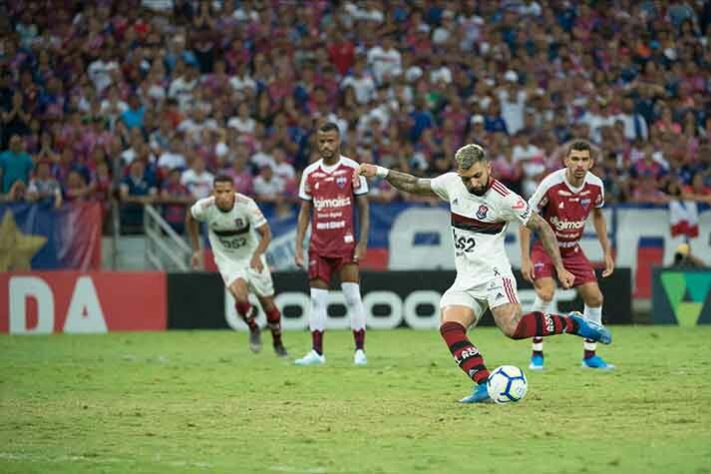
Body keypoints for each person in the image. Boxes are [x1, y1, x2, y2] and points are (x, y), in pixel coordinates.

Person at [357, 143, 612, 403]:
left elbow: (542, 227)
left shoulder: (505, 199)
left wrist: (559, 267)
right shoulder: (452, 183)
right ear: (459, 174)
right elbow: (414, 184)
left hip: (494, 275)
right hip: (466, 279)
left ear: (488, 168)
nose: (474, 183)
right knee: (450, 328)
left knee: (513, 329)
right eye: (467, 178)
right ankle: (484, 384)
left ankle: (574, 323)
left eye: (478, 175)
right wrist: (378, 171)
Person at [520, 140, 615, 370]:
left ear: (591, 162)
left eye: (584, 160)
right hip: (543, 248)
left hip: (572, 249)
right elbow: (525, 218)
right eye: (575, 159)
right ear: (566, 161)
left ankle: (590, 356)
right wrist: (525, 258)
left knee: (595, 297)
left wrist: (607, 252)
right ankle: (537, 353)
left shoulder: (595, 186)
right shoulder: (550, 184)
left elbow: (598, 216)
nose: (579, 164)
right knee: (546, 293)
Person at [293, 122, 370, 366]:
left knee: (352, 296)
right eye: (322, 141)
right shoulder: (310, 173)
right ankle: (317, 353)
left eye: (331, 141)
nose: (326, 145)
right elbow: (305, 212)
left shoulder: (352, 169)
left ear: (339, 141)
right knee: (317, 299)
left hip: (345, 244)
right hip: (318, 246)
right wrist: (298, 247)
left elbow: (364, 208)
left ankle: (359, 351)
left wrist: (362, 243)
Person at [186, 175, 288, 357]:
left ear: (234, 191)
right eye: (219, 192)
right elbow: (190, 217)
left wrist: (257, 256)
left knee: (269, 307)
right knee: (240, 298)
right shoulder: (205, 207)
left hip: (251, 256)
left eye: (227, 191)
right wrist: (196, 249)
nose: (223, 196)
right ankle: (254, 328)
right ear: (213, 192)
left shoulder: (246, 205)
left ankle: (278, 342)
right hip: (227, 260)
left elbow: (266, 233)